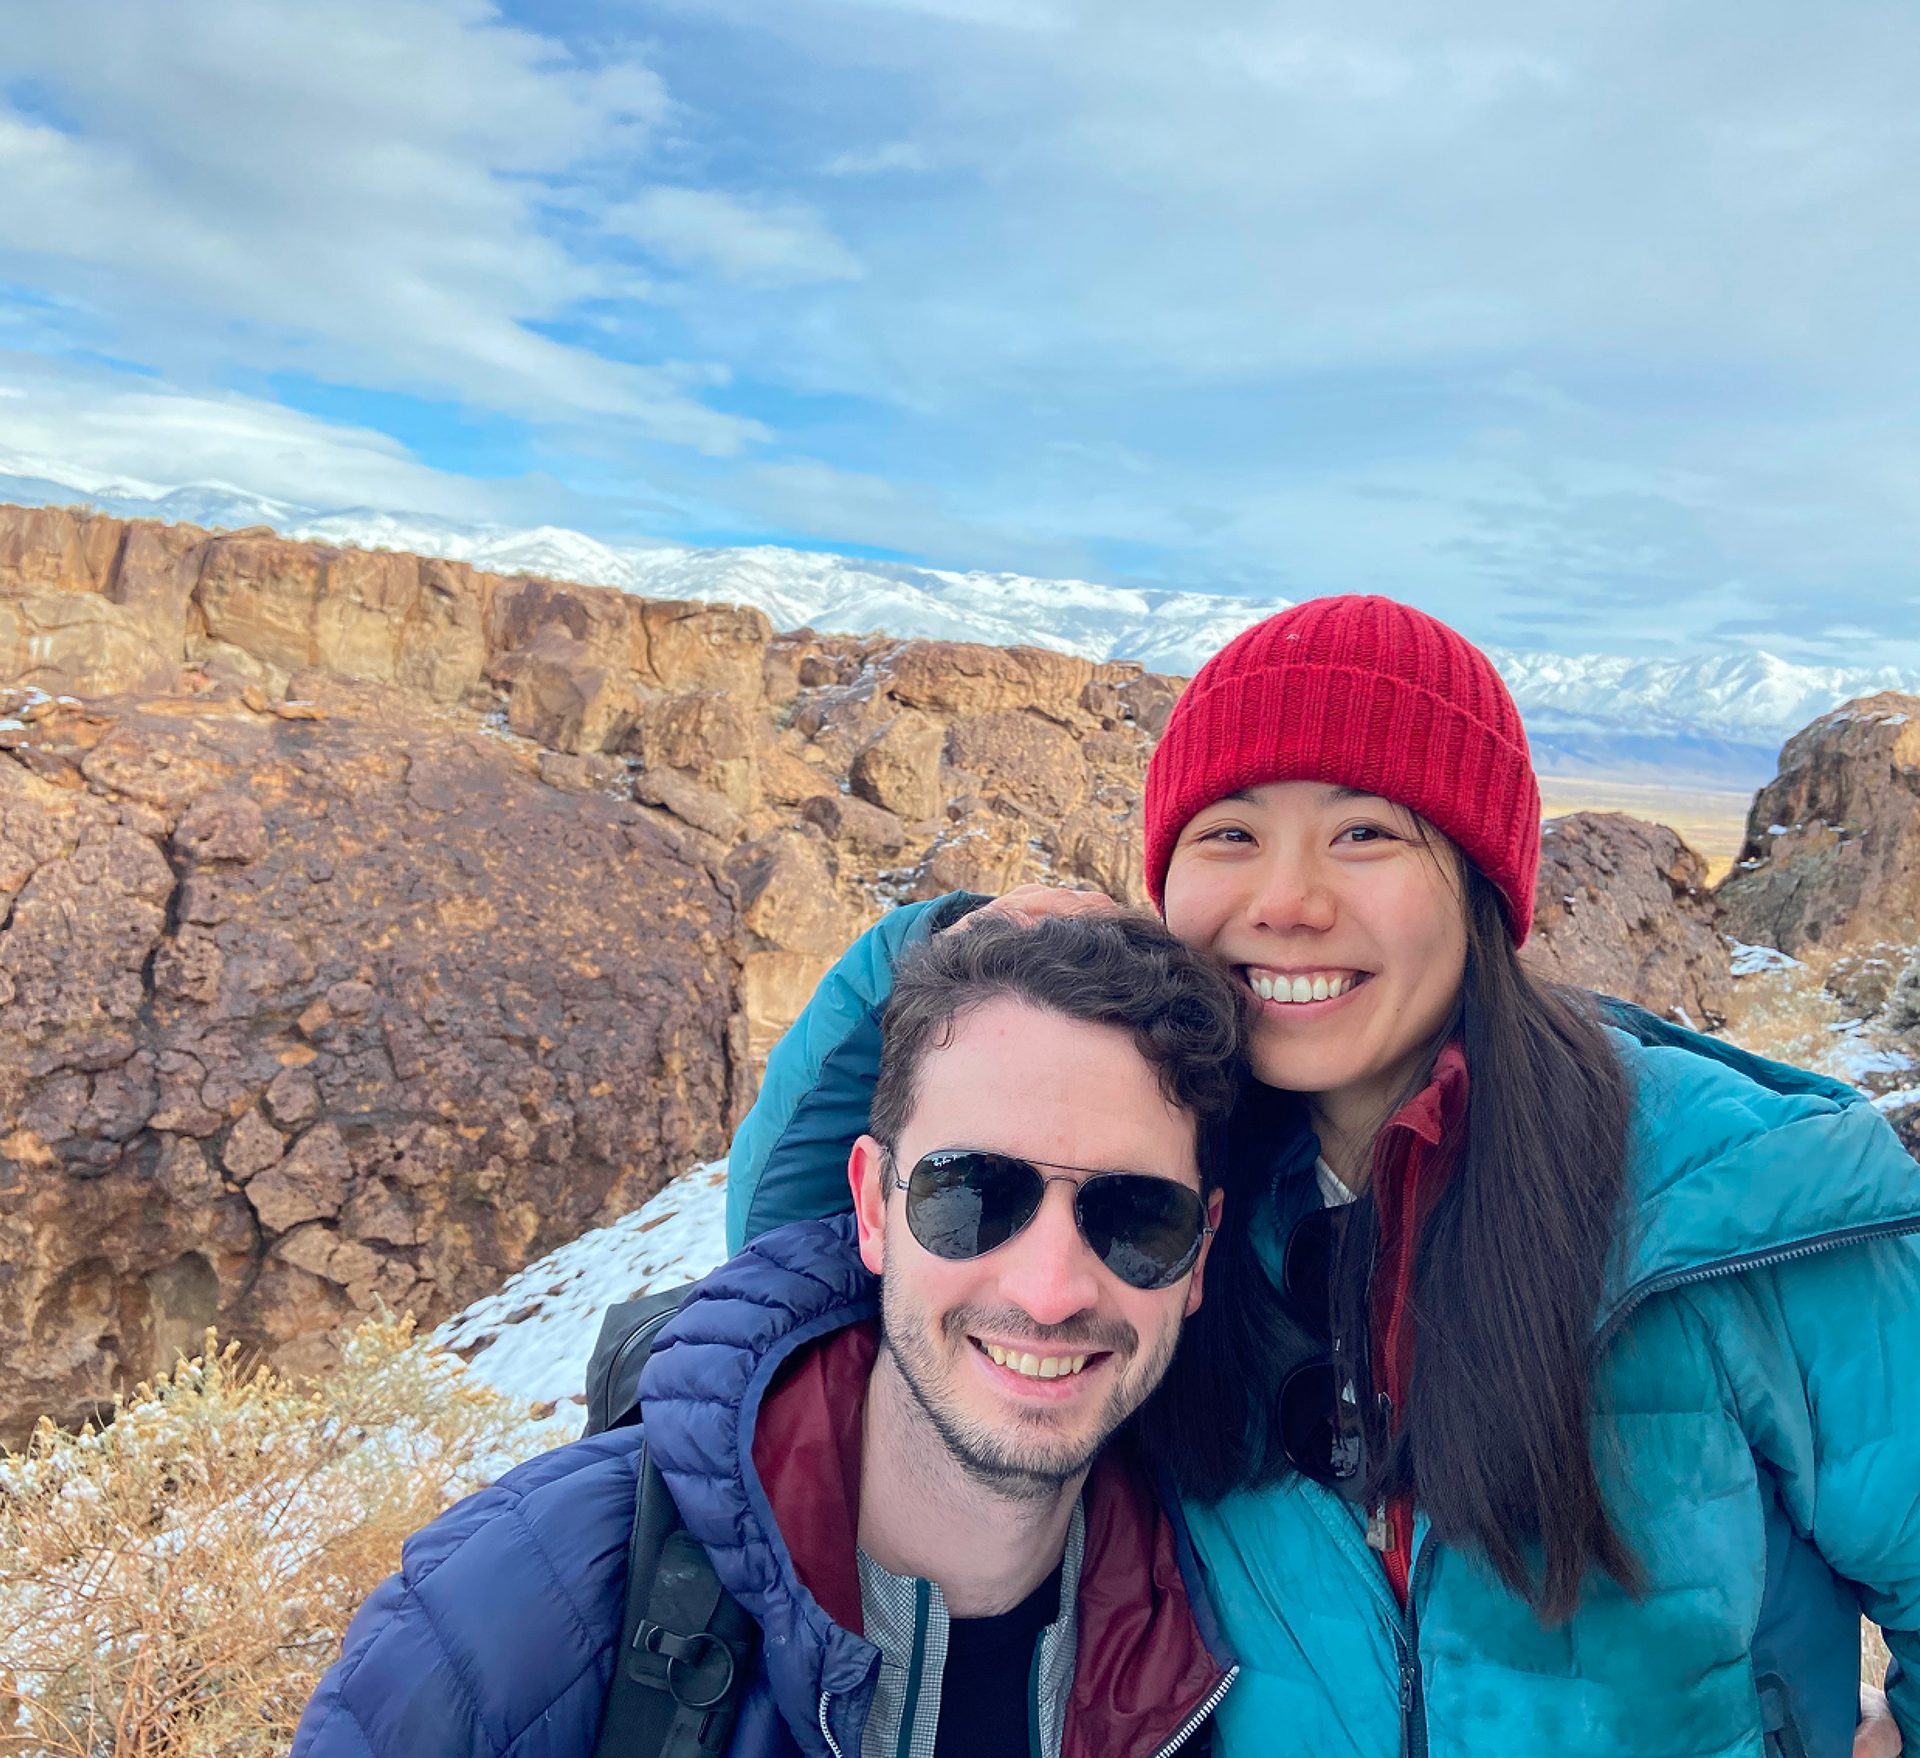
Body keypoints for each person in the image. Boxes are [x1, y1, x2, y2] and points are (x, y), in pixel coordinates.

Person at [727, 595, 1920, 1758]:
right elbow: (806, 1277)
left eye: (1365, 834)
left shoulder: (1735, 1197)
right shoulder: (1149, 1197)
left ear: (1482, 886)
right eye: (1229, 835)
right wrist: (925, 961)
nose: (1287, 904)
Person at [293, 911, 1246, 1758]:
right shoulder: (499, 1625)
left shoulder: (1227, 1648)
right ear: (873, 1206)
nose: (1048, 1292)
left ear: (1198, 1258)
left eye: (1136, 1217)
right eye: (974, 1195)